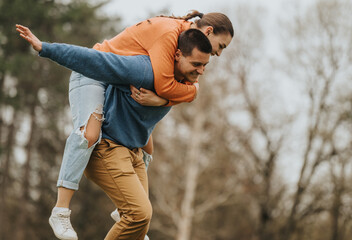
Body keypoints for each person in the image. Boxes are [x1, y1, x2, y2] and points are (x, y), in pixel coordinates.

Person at [16, 10, 233, 240]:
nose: (203, 70)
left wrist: (169, 98)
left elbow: (181, 90)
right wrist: (46, 48)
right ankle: (60, 209)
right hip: (91, 71)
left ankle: (124, 210)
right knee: (88, 134)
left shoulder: (183, 70)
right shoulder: (152, 62)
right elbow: (93, 60)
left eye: (204, 65)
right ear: (206, 33)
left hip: (128, 134)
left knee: (146, 165)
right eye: (221, 46)